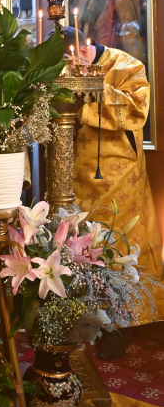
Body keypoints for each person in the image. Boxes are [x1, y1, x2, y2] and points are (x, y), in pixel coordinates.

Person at [62, 25, 164, 319]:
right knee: (82, 244)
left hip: (120, 177)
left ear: (83, 51)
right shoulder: (65, 68)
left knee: (120, 242)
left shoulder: (128, 66)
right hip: (76, 175)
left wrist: (94, 85)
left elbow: (136, 111)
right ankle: (87, 316)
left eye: (67, 63)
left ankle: (130, 315)